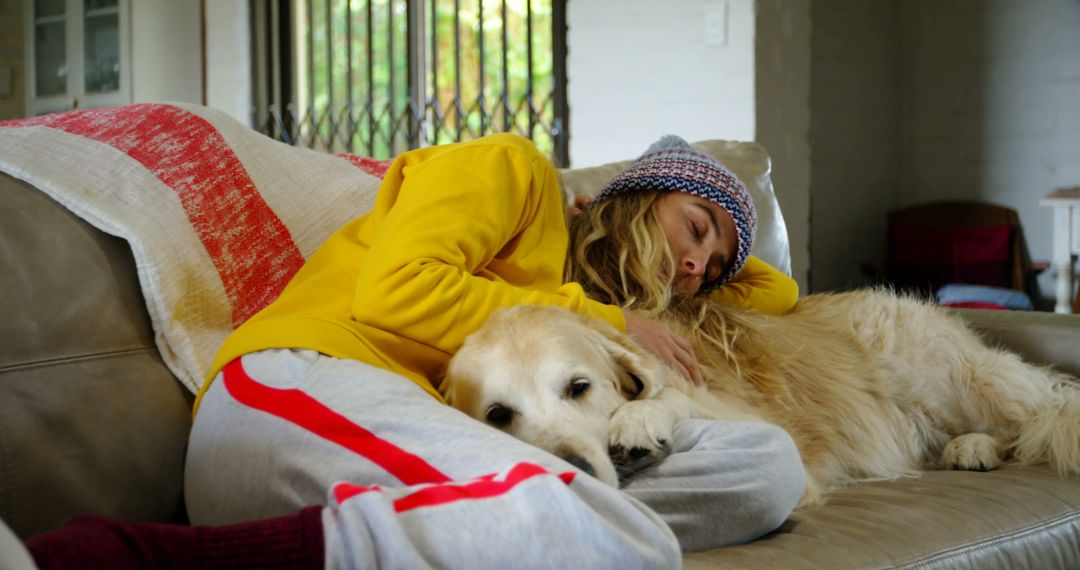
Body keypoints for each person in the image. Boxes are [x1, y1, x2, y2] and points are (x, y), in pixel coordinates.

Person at [24, 134, 805, 569]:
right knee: (611, 542)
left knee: (767, 467)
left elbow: (776, 293)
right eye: (695, 226)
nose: (699, 266)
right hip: (299, 386)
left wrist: (706, 255)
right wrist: (604, 317)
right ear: (637, 195)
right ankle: (115, 560)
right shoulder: (515, 173)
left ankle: (544, 519)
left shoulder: (579, 312)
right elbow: (395, 291)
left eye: (715, 264)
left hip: (416, 473)